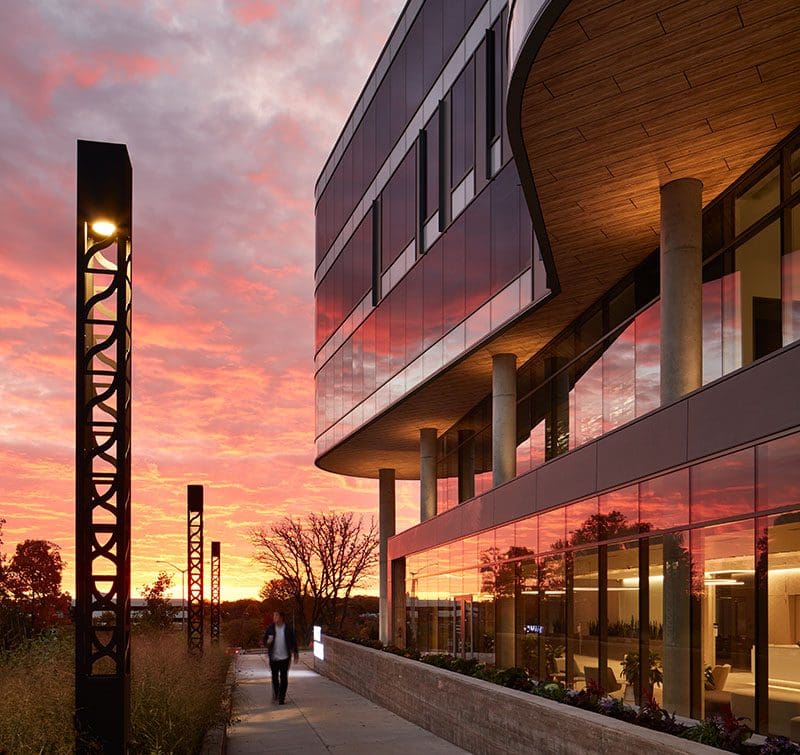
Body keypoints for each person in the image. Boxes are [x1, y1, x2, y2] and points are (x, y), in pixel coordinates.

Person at [262, 610, 299, 705]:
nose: (274, 618)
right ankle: (277, 694)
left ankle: (282, 698)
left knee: (284, 678)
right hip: (274, 657)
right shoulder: (270, 628)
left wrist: (296, 653)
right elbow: (264, 640)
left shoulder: (288, 628)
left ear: (282, 617)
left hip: (285, 657)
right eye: (274, 616)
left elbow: (293, 640)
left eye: (276, 616)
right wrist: (268, 642)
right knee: (274, 678)